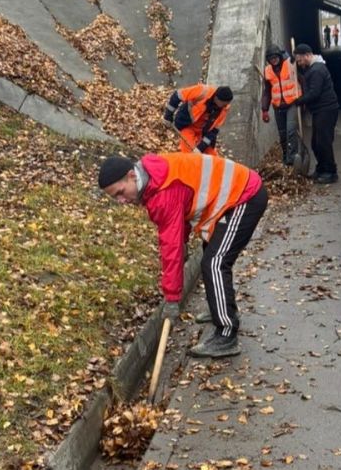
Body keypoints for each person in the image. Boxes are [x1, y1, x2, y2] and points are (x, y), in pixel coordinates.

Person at [98, 153, 268, 358]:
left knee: (214, 262)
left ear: (131, 175)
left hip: (245, 196)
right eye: (115, 198)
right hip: (231, 197)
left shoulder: (163, 192)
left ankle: (226, 335)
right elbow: (182, 213)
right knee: (211, 254)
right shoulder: (152, 178)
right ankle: (222, 310)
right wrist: (184, 239)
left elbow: (171, 246)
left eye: (121, 192)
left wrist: (172, 298)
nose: (122, 201)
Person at [293, 43, 339, 184]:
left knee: (323, 142)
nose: (299, 63)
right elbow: (307, 80)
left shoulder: (317, 70)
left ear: (307, 55)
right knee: (315, 143)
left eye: (300, 60)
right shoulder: (313, 68)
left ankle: (330, 172)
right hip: (320, 110)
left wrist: (298, 101)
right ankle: (321, 169)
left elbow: (314, 93)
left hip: (326, 110)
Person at [163, 84, 233, 155]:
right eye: (224, 104)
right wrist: (168, 116)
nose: (226, 106)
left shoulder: (224, 108)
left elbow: (213, 131)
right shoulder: (202, 91)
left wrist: (200, 148)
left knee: (212, 156)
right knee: (189, 153)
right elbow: (177, 95)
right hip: (187, 125)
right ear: (217, 99)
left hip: (203, 131)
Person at [261, 44, 300, 166]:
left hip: (292, 103)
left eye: (275, 57)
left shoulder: (290, 64)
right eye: (271, 58)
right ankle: (286, 156)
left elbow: (301, 78)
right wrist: (264, 110)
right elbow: (267, 92)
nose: (274, 60)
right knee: (282, 133)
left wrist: (304, 100)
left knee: (291, 131)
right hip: (278, 107)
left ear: (279, 56)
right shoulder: (267, 71)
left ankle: (293, 157)